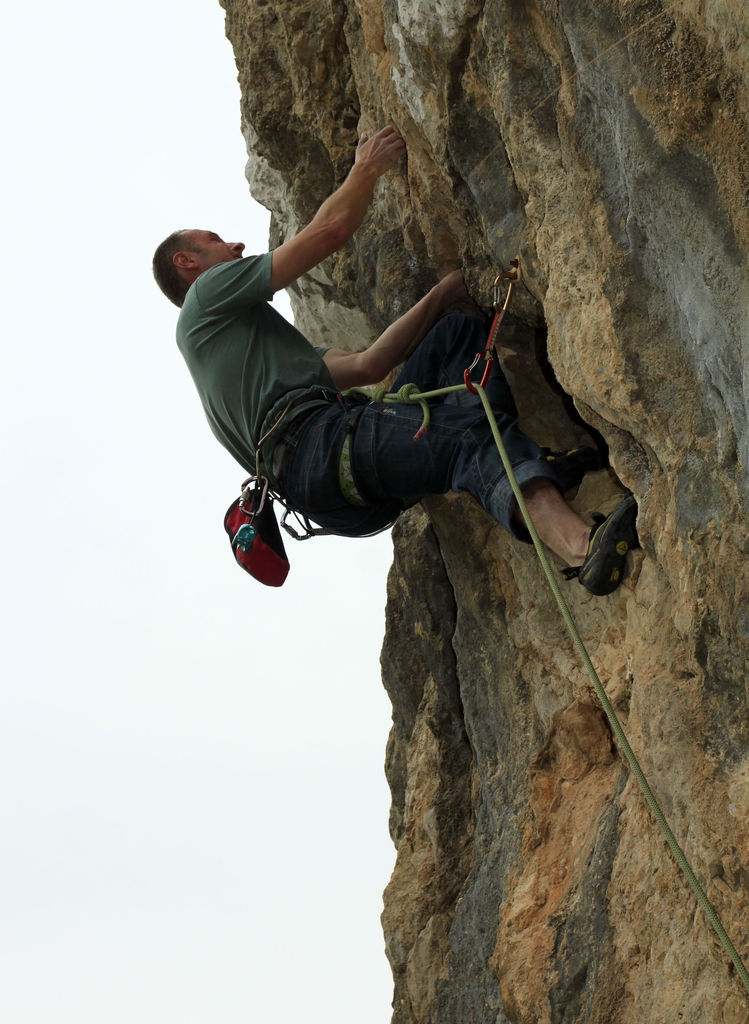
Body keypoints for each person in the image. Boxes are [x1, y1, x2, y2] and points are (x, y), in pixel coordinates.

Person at [153, 126, 638, 595]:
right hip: (321, 448)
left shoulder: (265, 363)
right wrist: (365, 169)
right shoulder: (204, 297)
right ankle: (580, 547)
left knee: (456, 336)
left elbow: (370, 364)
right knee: (470, 438)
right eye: (216, 240)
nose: (235, 245)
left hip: (332, 487)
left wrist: (447, 291)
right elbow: (329, 230)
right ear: (187, 263)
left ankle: (521, 465)